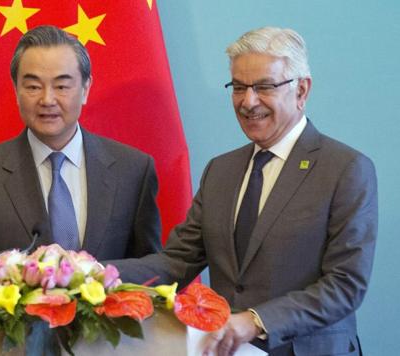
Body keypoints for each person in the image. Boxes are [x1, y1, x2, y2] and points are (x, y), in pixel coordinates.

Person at [112, 27, 377, 355]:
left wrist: (256, 320)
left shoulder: (345, 169)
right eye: (239, 87)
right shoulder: (221, 171)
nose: (248, 101)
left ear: (301, 90)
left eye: (264, 86)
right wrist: (97, 274)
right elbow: (177, 262)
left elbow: (345, 285)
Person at [0, 25, 162, 265]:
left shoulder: (133, 170)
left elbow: (149, 270)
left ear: (85, 89)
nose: (47, 99)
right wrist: (32, 272)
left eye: (61, 86)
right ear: (15, 90)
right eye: (33, 86)